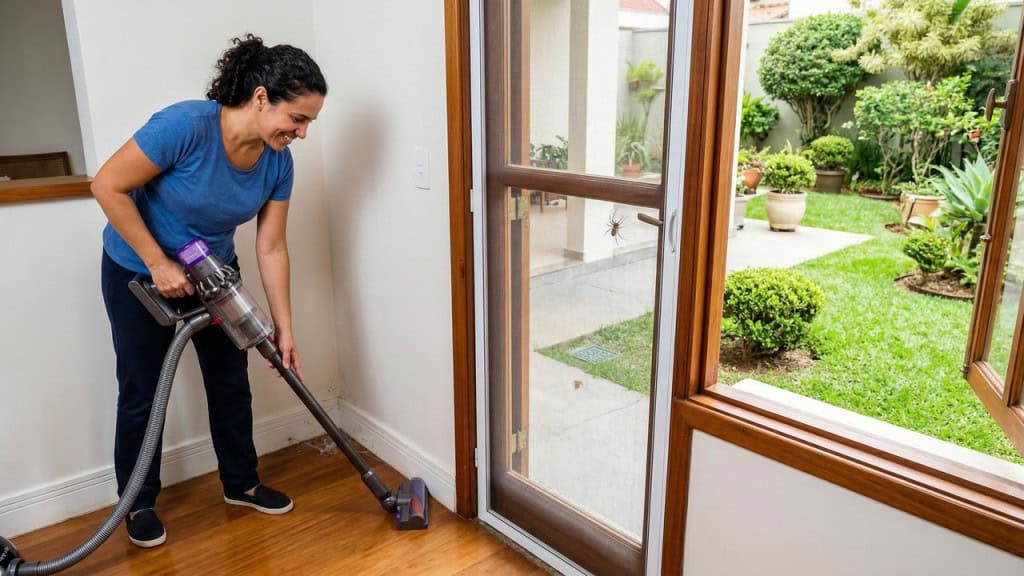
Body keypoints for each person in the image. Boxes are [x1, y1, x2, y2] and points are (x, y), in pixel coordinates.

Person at [91, 33, 326, 548]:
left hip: (213, 272)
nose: (303, 132)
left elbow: (271, 248)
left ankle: (240, 482)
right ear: (262, 96)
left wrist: (284, 328)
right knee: (142, 391)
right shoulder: (186, 126)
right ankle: (138, 503)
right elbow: (107, 184)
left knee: (229, 378)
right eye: (299, 118)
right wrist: (157, 261)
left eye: (309, 122)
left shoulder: (277, 162)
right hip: (137, 270)